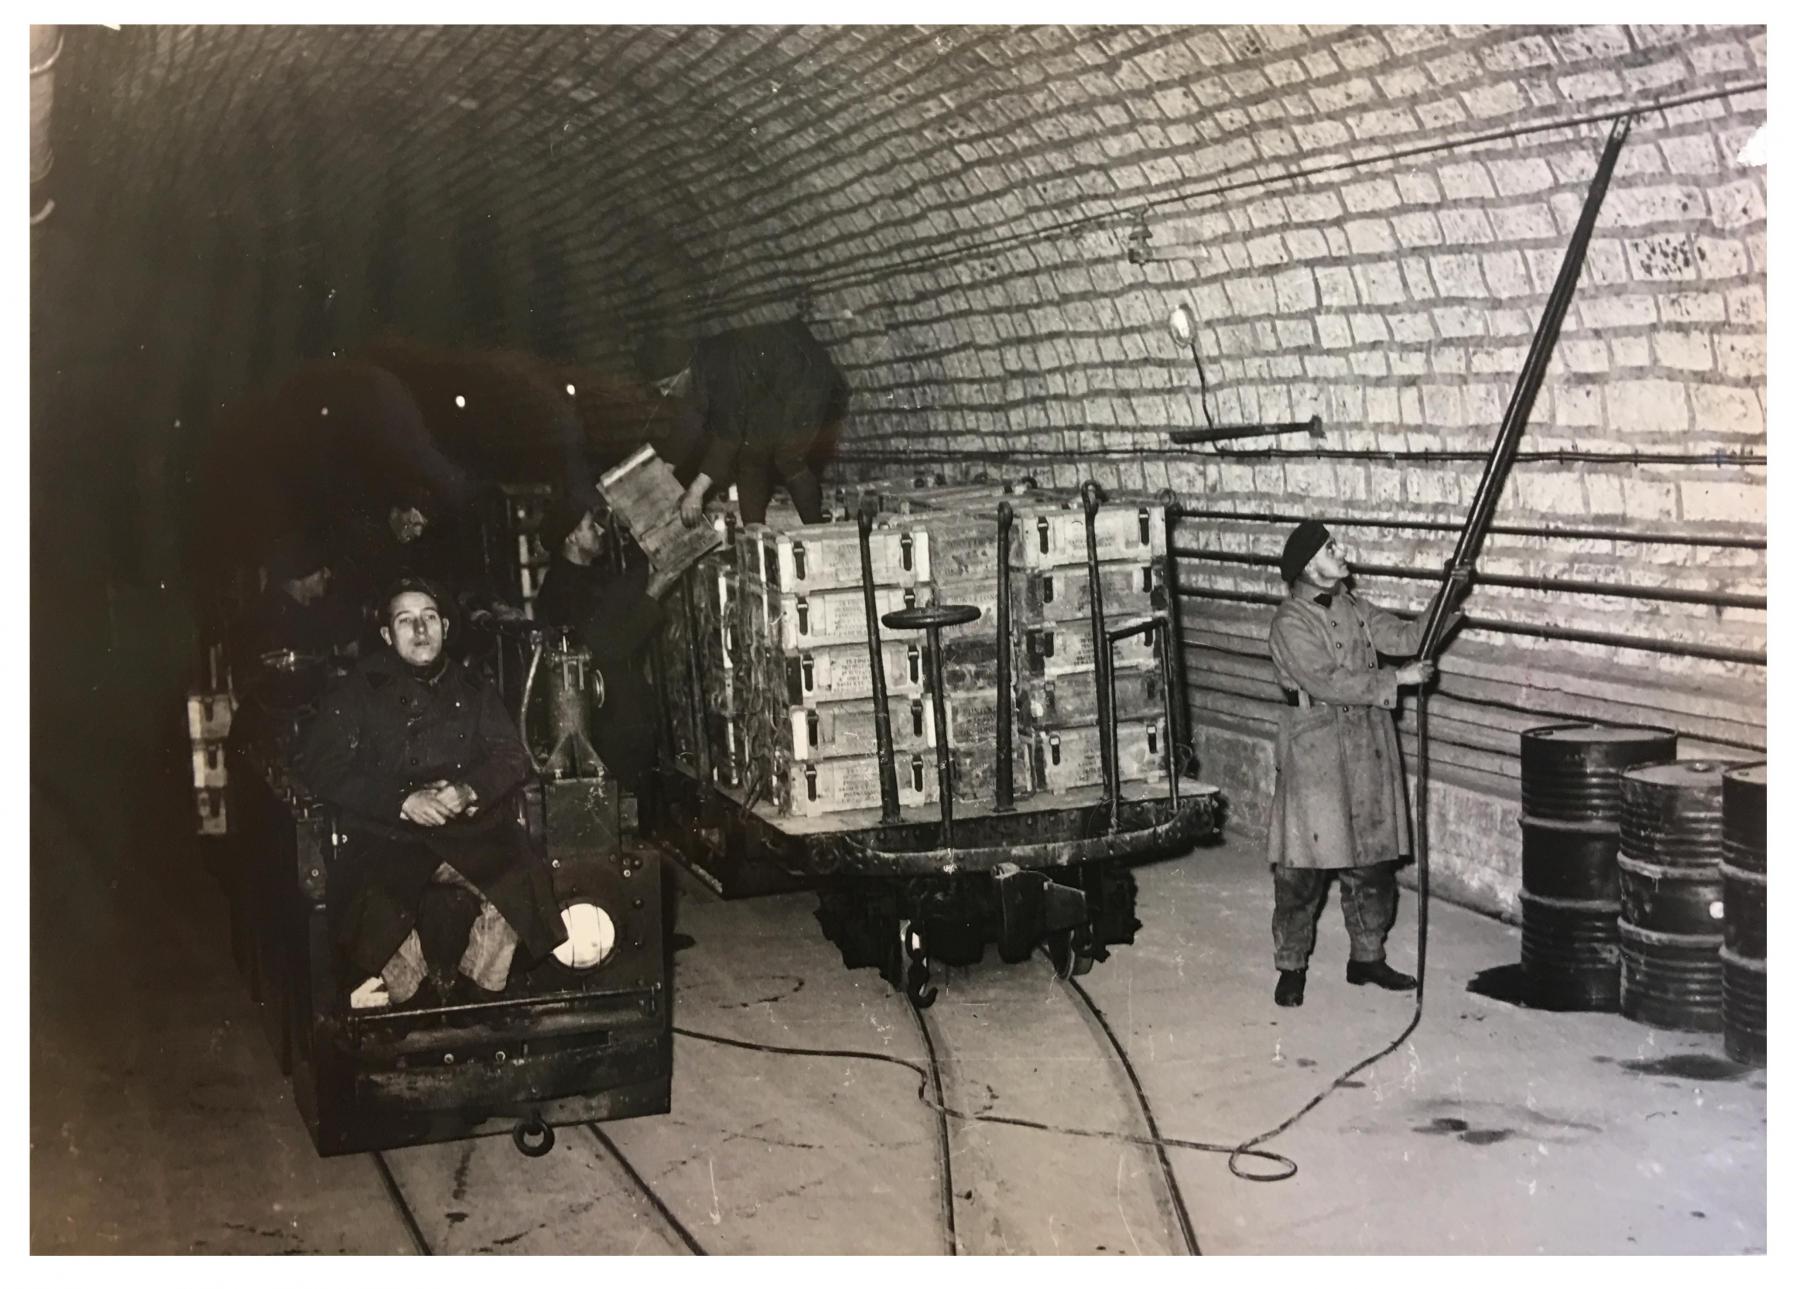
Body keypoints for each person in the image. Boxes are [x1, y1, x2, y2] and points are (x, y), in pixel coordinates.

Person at [295, 578, 566, 1009]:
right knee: (371, 896)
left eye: (429, 619)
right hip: (387, 834)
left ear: (444, 627)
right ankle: (412, 994)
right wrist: (401, 802)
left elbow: (511, 756)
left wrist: (469, 789)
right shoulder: (358, 690)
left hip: (467, 830)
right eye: (406, 621)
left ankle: (479, 986)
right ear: (387, 635)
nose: (420, 630)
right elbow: (320, 766)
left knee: (525, 874)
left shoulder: (474, 688)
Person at [1265, 520, 1458, 1008]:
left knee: (1371, 862)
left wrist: (1449, 593)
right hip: (1316, 750)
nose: (1341, 551)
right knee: (1302, 871)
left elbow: (1409, 635)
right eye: (1332, 547)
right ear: (1312, 565)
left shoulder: (1354, 606)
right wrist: (1398, 678)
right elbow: (1327, 680)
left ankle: (1367, 957)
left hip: (1366, 741)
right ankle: (1291, 966)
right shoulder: (1290, 622)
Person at [634, 318, 848, 527]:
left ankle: (816, 529)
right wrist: (664, 472)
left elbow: (728, 437)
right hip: (768, 390)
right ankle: (753, 535)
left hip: (805, 378)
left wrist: (696, 491)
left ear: (684, 371)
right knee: (749, 457)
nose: (664, 393)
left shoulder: (719, 369)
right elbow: (687, 423)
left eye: (665, 385)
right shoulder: (694, 370)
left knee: (788, 456)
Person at [532, 488, 667, 795]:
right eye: (591, 526)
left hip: (619, 713)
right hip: (607, 723)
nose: (599, 530)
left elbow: (622, 592)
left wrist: (634, 533)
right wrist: (654, 595)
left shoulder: (587, 575)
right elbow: (611, 646)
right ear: (572, 537)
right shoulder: (563, 590)